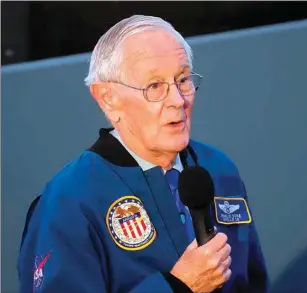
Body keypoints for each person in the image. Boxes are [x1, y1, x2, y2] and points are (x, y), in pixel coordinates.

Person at [18, 15, 271, 293]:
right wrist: (178, 286)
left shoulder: (218, 169)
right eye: (154, 86)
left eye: (183, 79)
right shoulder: (70, 201)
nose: (177, 100)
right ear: (107, 98)